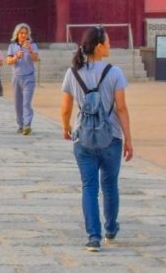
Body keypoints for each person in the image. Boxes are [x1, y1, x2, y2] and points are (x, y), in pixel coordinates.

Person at [61, 26, 133, 252]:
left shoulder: (73, 73)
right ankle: (110, 229)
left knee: (89, 187)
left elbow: (66, 108)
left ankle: (94, 237)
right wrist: (128, 139)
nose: (110, 46)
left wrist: (66, 127)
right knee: (110, 184)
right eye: (108, 43)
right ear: (100, 47)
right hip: (111, 136)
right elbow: (121, 108)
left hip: (83, 137)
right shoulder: (114, 72)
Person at [7, 23, 41, 135]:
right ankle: (20, 125)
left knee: (26, 102)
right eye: (21, 33)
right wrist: (16, 57)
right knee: (18, 104)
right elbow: (8, 61)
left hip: (29, 77)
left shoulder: (32, 45)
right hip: (16, 78)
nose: (23, 35)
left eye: (25, 33)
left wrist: (30, 50)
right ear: (17, 34)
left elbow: (36, 59)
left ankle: (27, 125)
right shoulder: (12, 46)